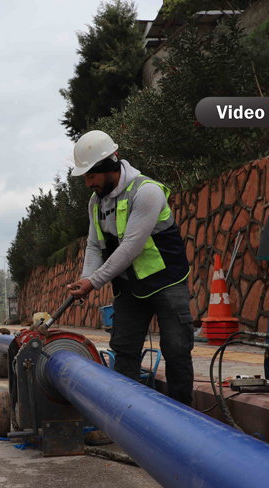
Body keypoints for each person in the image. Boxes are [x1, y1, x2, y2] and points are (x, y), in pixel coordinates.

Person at [66, 130, 195, 412]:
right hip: (130, 287)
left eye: (91, 175)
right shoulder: (96, 202)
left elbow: (131, 247)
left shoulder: (146, 191)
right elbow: (93, 246)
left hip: (166, 282)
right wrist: (87, 278)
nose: (88, 183)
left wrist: (95, 283)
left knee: (176, 351)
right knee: (124, 352)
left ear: (109, 166)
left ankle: (183, 419)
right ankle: (128, 418)